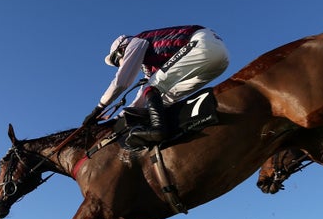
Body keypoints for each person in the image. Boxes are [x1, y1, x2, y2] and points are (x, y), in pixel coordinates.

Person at [83, 25, 229, 145]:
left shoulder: (136, 41)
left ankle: (159, 130)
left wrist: (98, 109)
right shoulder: (152, 63)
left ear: (121, 49)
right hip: (221, 60)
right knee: (164, 98)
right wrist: (117, 119)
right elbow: (142, 97)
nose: (119, 64)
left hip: (202, 44)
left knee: (152, 89)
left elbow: (122, 82)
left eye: (117, 61)